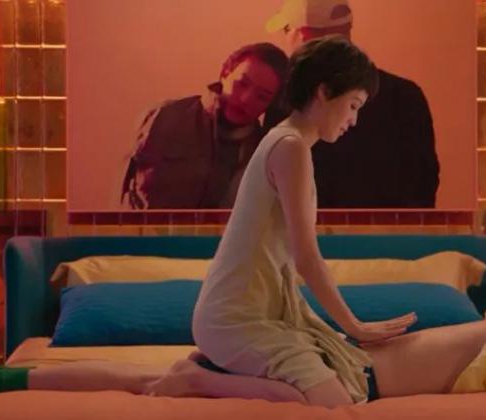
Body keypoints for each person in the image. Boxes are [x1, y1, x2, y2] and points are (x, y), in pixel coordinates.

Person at [0, 298, 486, 418]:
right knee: (163, 379)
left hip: (331, 357)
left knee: (148, 379)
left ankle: (1, 377)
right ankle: (206, 385)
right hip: (345, 375)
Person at [190, 35, 414, 409]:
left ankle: (212, 375)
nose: (354, 120)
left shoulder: (287, 143)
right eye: (353, 105)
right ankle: (199, 380)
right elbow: (306, 258)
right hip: (234, 319)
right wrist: (354, 326)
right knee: (336, 404)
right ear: (324, 92)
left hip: (248, 313)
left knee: (344, 387)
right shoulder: (290, 147)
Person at [263, 0, 440, 208]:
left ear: (303, 35)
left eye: (286, 29)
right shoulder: (406, 96)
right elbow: (424, 184)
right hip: (394, 229)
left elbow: (274, 191)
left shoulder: (285, 102)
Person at [120, 43, 289, 209]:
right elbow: (124, 194)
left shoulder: (262, 153)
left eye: (262, 97)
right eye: (242, 84)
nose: (246, 99)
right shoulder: (165, 117)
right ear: (225, 72)